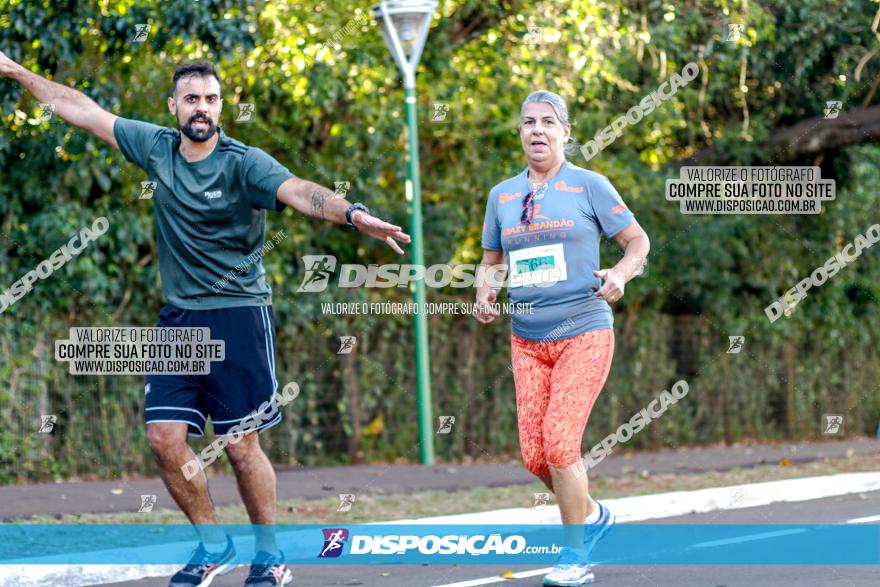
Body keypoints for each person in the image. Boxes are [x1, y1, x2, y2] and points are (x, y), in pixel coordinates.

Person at [0, 53, 410, 587]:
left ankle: (270, 556)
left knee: (241, 444)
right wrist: (12, 71)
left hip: (239, 314)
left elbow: (301, 192)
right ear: (174, 106)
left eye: (211, 99)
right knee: (164, 437)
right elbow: (80, 109)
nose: (202, 108)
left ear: (221, 106)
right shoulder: (156, 148)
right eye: (191, 99)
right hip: (180, 320)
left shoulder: (245, 163)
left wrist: (353, 215)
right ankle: (215, 545)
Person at [473, 90, 650, 586]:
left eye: (548, 122)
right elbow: (492, 263)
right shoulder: (502, 195)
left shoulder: (588, 185)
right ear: (520, 132)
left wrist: (621, 273)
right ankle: (591, 514)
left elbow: (638, 241)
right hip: (527, 338)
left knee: (559, 441)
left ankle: (575, 557)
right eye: (528, 122)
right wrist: (485, 293)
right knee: (536, 456)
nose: (537, 131)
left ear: (566, 132)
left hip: (584, 329)